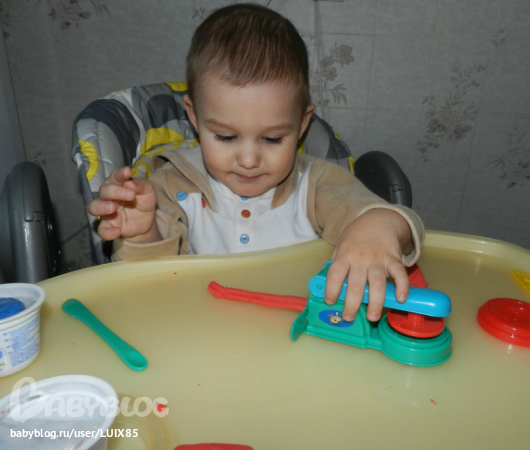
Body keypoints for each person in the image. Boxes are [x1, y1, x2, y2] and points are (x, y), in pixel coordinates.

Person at [87, 3, 424, 324]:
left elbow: (397, 227)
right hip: (201, 337)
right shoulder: (173, 186)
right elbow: (150, 284)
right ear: (194, 116)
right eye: (226, 137)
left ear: (302, 124)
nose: (249, 161)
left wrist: (376, 229)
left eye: (272, 139)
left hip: (300, 339)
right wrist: (142, 233)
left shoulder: (317, 185)